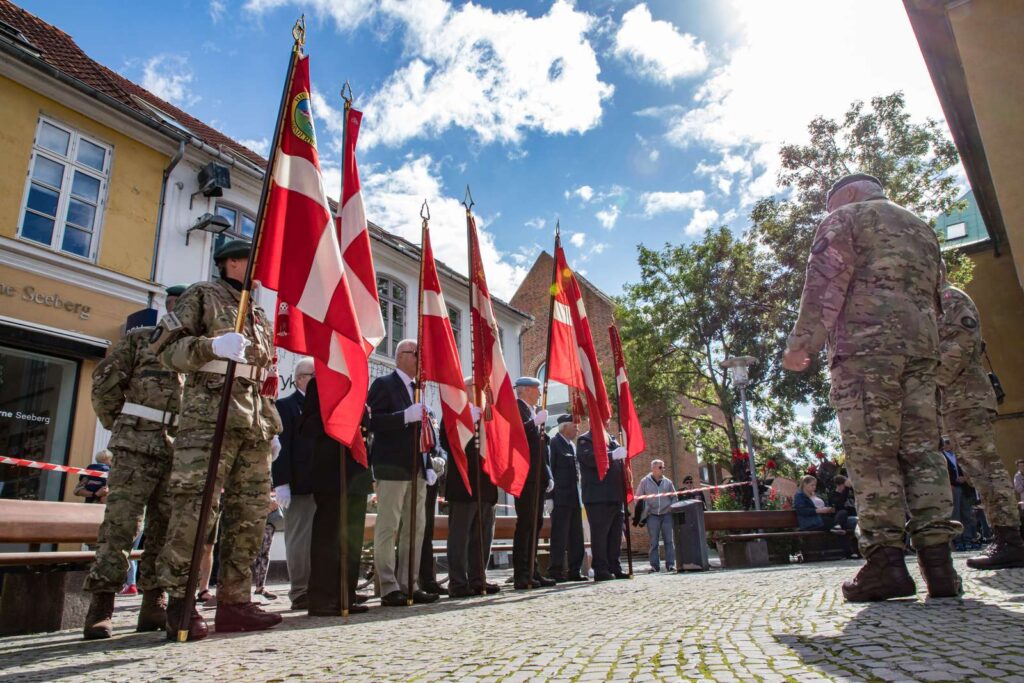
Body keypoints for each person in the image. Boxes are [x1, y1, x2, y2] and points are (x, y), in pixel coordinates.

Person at [783, 173, 961, 602]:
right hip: (920, 352)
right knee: (922, 452)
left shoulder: (847, 217)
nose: (828, 212)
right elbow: (937, 295)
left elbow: (824, 282)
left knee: (872, 453)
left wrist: (801, 344)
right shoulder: (921, 228)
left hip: (867, 350)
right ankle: (939, 566)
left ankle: (886, 564)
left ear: (845, 194)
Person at [149, 239, 283, 640]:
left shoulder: (257, 312)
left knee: (250, 514)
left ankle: (234, 603)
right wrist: (211, 346)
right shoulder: (201, 296)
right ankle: (181, 603)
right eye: (252, 260)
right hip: (210, 415)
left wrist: (270, 423)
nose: (259, 267)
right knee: (197, 509)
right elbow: (164, 349)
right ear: (233, 262)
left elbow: (262, 371)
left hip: (254, 421)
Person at [81, 284, 185, 640]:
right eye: (176, 306)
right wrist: (122, 425)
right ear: (167, 306)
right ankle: (102, 606)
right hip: (135, 447)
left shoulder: (194, 350)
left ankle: (154, 602)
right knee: (121, 526)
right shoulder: (140, 340)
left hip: (179, 452)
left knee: (166, 529)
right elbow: (104, 384)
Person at [935, 276, 1024, 568]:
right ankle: (1005, 537)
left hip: (967, 397)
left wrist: (928, 382)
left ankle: (1010, 540)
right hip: (956, 400)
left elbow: (961, 344)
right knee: (978, 470)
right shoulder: (931, 302)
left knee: (986, 467)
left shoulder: (950, 298)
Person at [367, 338, 439, 607]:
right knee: (388, 528)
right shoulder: (384, 385)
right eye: (417, 354)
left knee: (415, 529)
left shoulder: (419, 390)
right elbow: (371, 421)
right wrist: (403, 417)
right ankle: (388, 585)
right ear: (401, 356)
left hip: (417, 469)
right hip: (391, 466)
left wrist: (428, 465)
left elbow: (426, 435)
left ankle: (410, 582)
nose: (421, 360)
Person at [300, 379, 372, 616]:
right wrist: (338, 417)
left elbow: (366, 427)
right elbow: (308, 425)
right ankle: (322, 598)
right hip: (331, 469)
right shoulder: (319, 383)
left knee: (352, 539)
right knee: (328, 537)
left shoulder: (358, 383)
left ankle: (346, 593)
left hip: (356, 471)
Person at [443, 379, 497, 597]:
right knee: (460, 536)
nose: (478, 395)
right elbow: (448, 443)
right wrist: (466, 421)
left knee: (483, 535)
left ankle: (478, 578)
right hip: (463, 483)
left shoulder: (488, 416)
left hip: (485, 483)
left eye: (480, 391)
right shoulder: (455, 413)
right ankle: (457, 581)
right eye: (472, 390)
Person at [272, 358, 317, 610]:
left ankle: (315, 586)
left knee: (316, 541)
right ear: (300, 378)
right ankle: (300, 591)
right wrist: (281, 483)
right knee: (299, 540)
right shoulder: (286, 406)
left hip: (320, 483)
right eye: (313, 376)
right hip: (298, 485)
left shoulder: (319, 406)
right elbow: (282, 447)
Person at [512, 376, 555, 589]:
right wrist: (533, 423)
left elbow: (541, 448)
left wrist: (547, 474)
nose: (539, 394)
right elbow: (516, 435)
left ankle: (533, 570)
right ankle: (521, 574)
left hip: (536, 475)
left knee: (535, 524)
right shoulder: (516, 408)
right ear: (526, 390)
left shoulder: (531, 411)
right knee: (526, 525)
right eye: (537, 390)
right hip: (524, 476)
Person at [579, 424, 628, 581]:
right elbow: (589, 459)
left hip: (615, 494)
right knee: (600, 535)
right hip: (598, 496)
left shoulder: (612, 440)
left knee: (615, 536)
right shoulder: (584, 440)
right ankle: (601, 569)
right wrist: (612, 455)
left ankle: (615, 567)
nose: (606, 423)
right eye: (603, 419)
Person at [547, 414, 586, 582]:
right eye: (574, 425)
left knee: (576, 537)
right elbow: (549, 470)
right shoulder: (554, 444)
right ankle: (556, 570)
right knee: (559, 537)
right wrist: (548, 497)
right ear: (564, 427)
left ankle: (574, 570)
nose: (577, 427)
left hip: (574, 498)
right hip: (560, 498)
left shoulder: (571, 445)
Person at [418, 412, 448, 596]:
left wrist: (441, 459)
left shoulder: (431, 413)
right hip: (416, 475)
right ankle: (413, 580)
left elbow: (438, 445)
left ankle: (428, 580)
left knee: (426, 531)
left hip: (431, 480)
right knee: (416, 532)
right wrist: (427, 462)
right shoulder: (414, 407)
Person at [635, 460, 677, 573]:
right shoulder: (644, 482)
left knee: (669, 541)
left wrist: (671, 507)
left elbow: (674, 496)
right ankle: (654, 566)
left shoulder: (668, 482)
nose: (663, 469)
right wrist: (645, 509)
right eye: (660, 467)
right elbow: (638, 498)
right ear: (653, 468)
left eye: (663, 467)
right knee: (654, 542)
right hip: (652, 515)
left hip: (666, 515)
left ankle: (671, 565)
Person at [251, 499, 283, 601]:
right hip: (248, 512)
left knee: (264, 552)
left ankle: (260, 588)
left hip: (267, 515)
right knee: (243, 552)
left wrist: (274, 502)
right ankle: (237, 589)